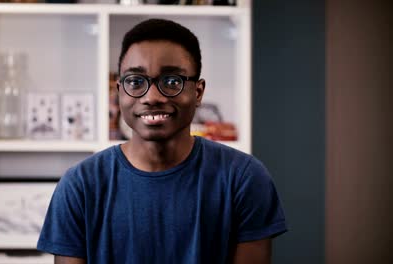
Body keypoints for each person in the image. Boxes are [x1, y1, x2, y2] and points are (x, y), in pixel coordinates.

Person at [37, 18, 287, 264]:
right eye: (135, 82)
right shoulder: (80, 186)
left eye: (171, 82)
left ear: (197, 92)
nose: (152, 96)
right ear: (119, 91)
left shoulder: (243, 178)